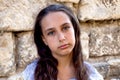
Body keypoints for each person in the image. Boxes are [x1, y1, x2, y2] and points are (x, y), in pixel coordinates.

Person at [22, 4, 103, 80]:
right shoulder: (30, 75)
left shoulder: (92, 76)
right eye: (51, 33)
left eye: (65, 28)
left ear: (74, 29)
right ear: (44, 39)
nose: (61, 38)